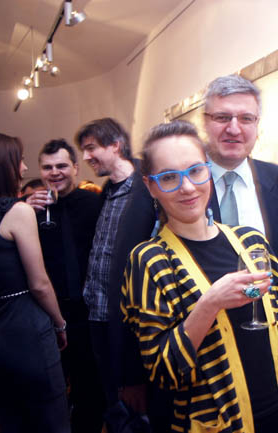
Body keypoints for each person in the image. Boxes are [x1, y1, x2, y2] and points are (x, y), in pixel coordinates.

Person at [121, 120, 278, 433]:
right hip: (219, 422)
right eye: (169, 177)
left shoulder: (251, 241)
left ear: (208, 170)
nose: (187, 187)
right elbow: (163, 372)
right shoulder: (150, 261)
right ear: (151, 186)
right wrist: (210, 303)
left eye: (195, 171)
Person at [0, 131, 70, 433]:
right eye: (20, 160)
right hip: (25, 330)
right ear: (2, 165)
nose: (25, 168)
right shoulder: (18, 211)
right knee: (52, 419)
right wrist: (60, 324)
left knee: (11, 418)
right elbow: (39, 283)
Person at [74, 118, 156, 425]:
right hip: (97, 314)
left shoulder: (147, 189)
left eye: (91, 148)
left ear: (115, 146)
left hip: (128, 321)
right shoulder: (107, 190)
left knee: (136, 409)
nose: (86, 157)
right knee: (112, 402)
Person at [25, 139, 105, 433]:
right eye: (48, 167)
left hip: (89, 313)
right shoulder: (32, 209)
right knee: (50, 390)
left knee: (90, 388)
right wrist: (25, 209)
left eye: (61, 166)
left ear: (75, 167)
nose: (55, 172)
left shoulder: (95, 204)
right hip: (47, 314)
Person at [204, 74, 278, 269]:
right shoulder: (181, 182)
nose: (234, 129)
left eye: (246, 119)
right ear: (206, 122)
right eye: (222, 117)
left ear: (257, 123)